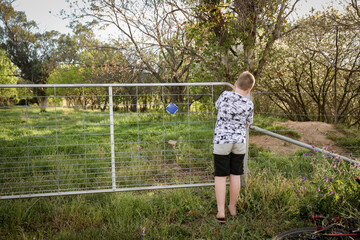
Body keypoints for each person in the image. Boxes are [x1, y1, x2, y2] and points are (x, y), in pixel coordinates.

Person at [213, 71, 255, 224]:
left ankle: (221, 211)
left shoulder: (225, 95)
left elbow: (217, 107)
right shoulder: (249, 104)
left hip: (222, 141)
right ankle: (233, 207)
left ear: (235, 84)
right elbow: (247, 123)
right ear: (249, 90)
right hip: (239, 141)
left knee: (220, 176)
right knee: (235, 175)